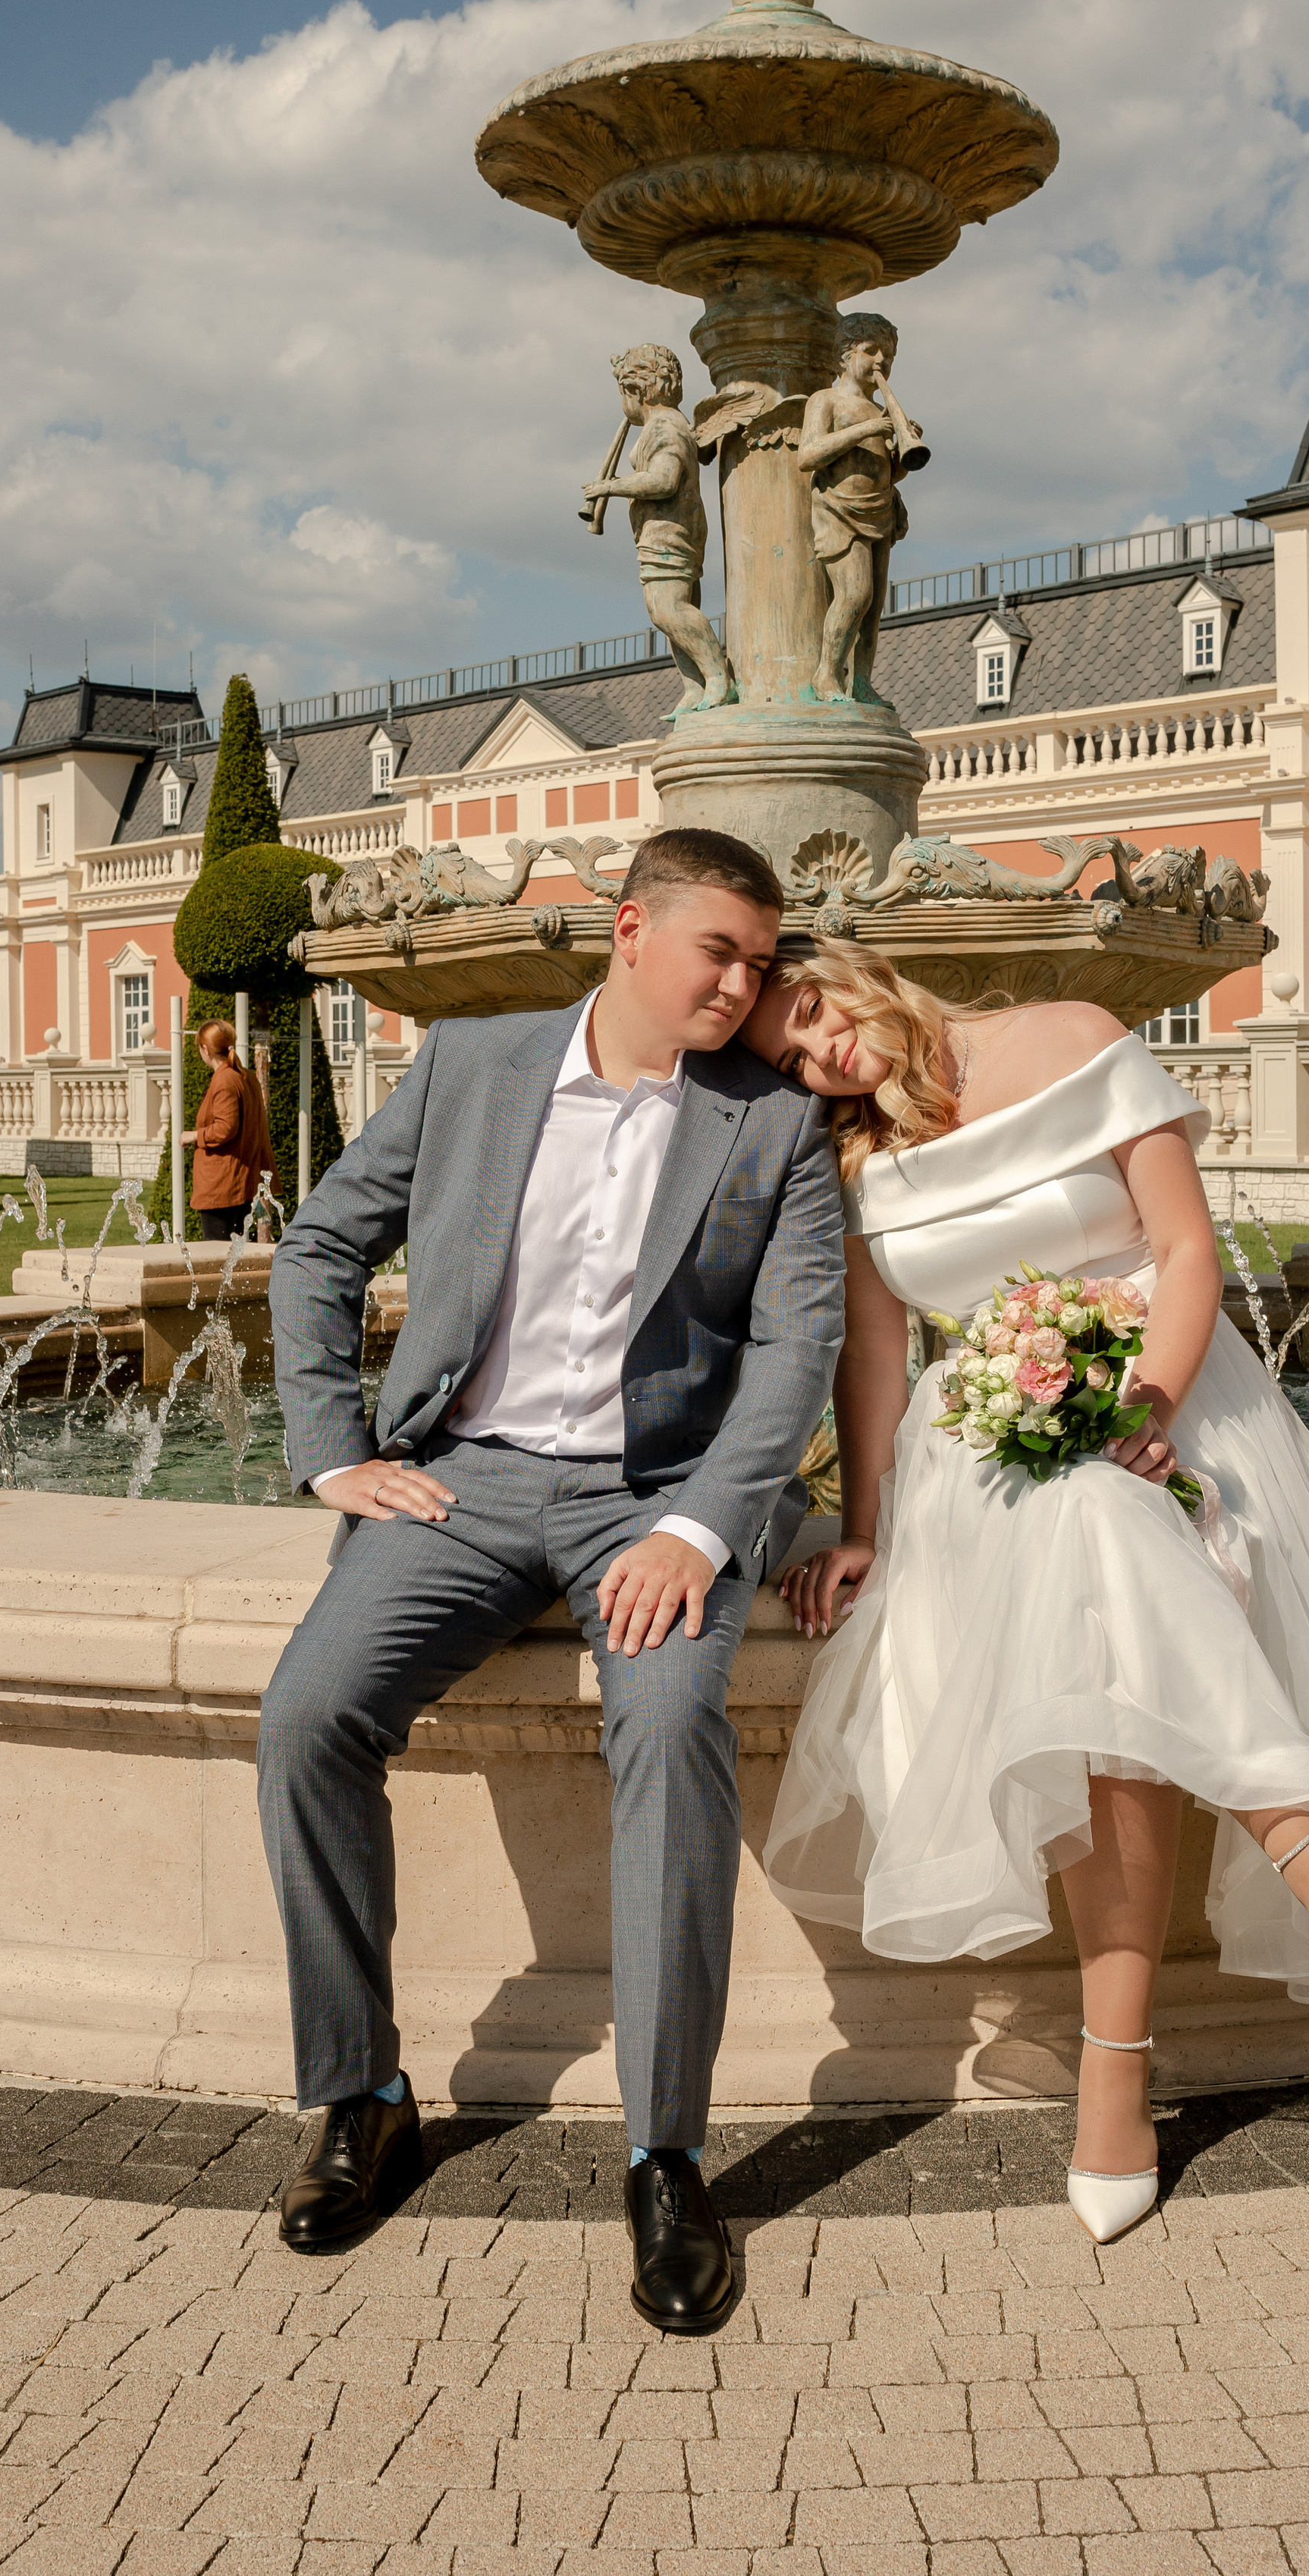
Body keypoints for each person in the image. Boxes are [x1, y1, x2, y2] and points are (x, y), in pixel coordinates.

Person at [742, 946, 1309, 2245]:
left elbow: (1188, 1249)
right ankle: (1308, 1847)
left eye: (813, 1018)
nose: (824, 1059)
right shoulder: (847, 1154)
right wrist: (864, 1528)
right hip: (986, 1430)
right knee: (1090, 1536)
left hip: (1177, 1396)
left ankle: (1115, 2068)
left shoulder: (1073, 1030)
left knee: (1101, 1547)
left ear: (849, 970)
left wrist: (1148, 1398)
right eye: (793, 1063)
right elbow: (876, 1353)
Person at [259, 828, 843, 2328]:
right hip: (465, 1479)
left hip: (654, 1500)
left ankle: (664, 2155)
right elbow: (320, 1242)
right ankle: (357, 2092)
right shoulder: (472, 1064)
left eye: (761, 963)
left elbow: (793, 1358)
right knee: (308, 1716)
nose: (741, 985)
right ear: (631, 934)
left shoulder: (772, 1125)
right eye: (718, 951)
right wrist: (333, 1452)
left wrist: (699, 1532)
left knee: (665, 1730)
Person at [583, 343, 737, 715]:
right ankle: (695, 688)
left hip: (671, 529)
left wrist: (610, 486)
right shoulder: (662, 424)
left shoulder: (665, 426)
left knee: (668, 609)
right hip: (660, 530)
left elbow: (664, 480)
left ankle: (719, 679)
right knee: (669, 612)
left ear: (633, 391)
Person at [797, 311, 916, 705]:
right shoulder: (826, 400)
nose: (882, 361)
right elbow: (808, 454)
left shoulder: (881, 411)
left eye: (890, 356)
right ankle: (826, 675)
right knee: (855, 594)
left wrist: (902, 453)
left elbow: (885, 473)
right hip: (839, 510)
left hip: (880, 508)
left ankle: (862, 681)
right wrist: (866, 430)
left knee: (874, 607)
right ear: (846, 355)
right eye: (872, 351)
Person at [182, 1019, 275, 1239]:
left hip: (222, 1187)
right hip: (241, 1183)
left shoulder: (225, 1079)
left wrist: (195, 1135)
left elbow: (226, 1128)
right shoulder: (246, 1076)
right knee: (237, 1258)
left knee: (218, 1257)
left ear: (205, 1049)